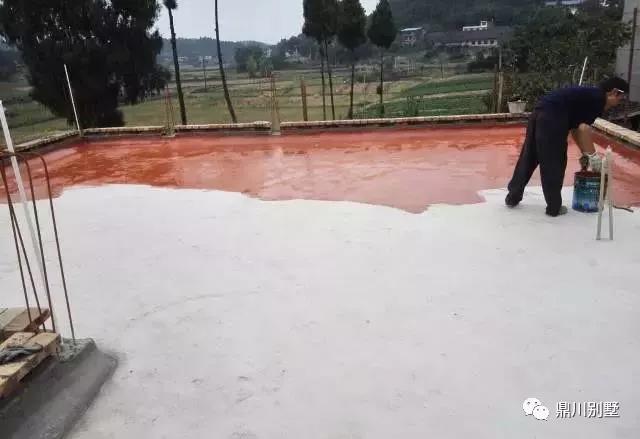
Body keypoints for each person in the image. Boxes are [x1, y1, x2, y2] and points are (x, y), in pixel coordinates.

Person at [505, 77, 629, 216]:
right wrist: (594, 158)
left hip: (539, 112)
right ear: (613, 92)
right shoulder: (598, 99)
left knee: (529, 156)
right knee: (555, 162)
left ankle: (513, 197)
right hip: (553, 117)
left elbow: (576, 129)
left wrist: (585, 153)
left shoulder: (589, 94)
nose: (619, 103)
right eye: (621, 98)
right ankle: (554, 208)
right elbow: (584, 129)